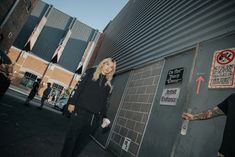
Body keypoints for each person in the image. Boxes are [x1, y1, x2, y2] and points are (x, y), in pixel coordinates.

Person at [60, 57, 116, 157]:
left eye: (111, 67)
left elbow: (103, 104)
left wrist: (104, 117)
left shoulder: (107, 85)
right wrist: (72, 103)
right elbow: (79, 87)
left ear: (112, 70)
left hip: (93, 119)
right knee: (71, 139)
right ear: (102, 64)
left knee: (81, 144)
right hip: (80, 111)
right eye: (107, 64)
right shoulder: (91, 72)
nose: (108, 68)